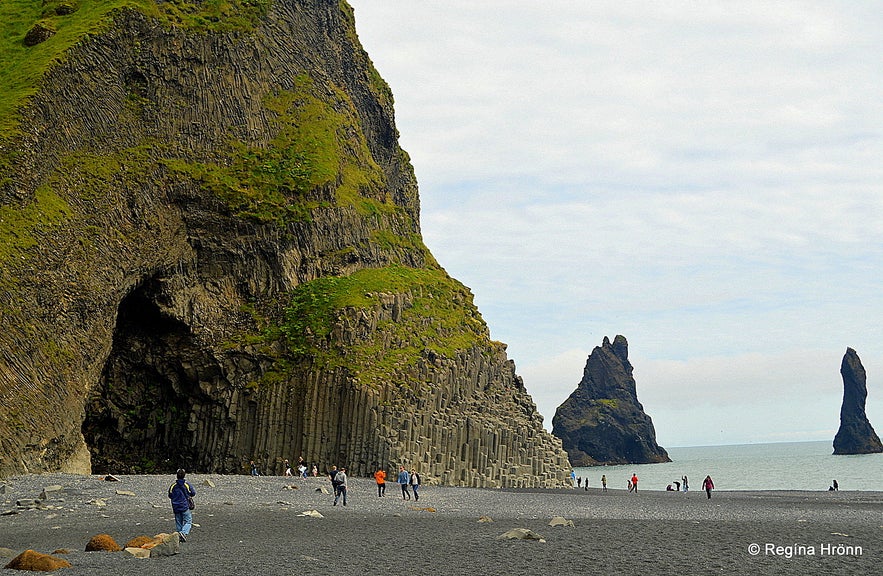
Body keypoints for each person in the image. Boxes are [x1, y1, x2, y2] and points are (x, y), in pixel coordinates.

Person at [167, 468, 196, 542]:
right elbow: (193, 493)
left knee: (178, 522)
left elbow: (170, 495)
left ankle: (179, 536)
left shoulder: (173, 485)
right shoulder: (186, 484)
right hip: (184, 506)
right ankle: (183, 533)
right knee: (188, 521)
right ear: (184, 475)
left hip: (176, 506)